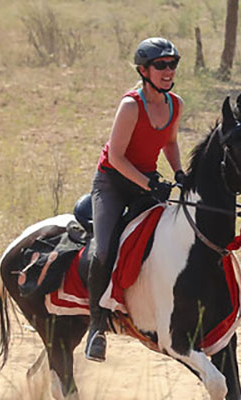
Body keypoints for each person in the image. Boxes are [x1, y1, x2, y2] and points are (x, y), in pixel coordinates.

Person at [84, 37, 186, 362]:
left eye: (172, 64)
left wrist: (180, 173)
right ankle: (96, 327)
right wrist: (147, 183)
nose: (168, 71)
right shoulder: (131, 106)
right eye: (160, 65)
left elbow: (169, 142)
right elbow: (115, 157)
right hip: (113, 182)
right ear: (144, 71)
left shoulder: (175, 104)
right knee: (103, 251)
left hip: (145, 182)